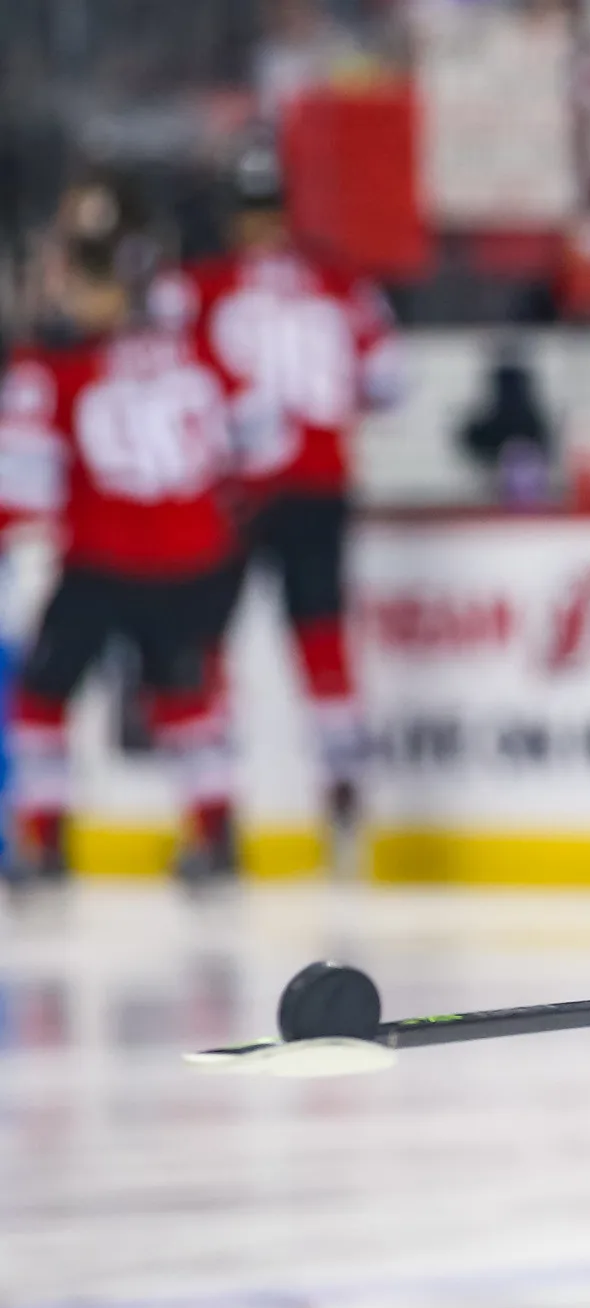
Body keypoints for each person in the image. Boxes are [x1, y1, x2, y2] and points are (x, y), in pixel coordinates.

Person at [157, 142, 402, 870]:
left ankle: (215, 818)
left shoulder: (197, 287)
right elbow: (390, 380)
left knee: (202, 647)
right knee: (321, 642)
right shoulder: (341, 280)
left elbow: (170, 383)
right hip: (321, 488)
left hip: (234, 493)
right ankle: (343, 802)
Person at [0, 180, 246, 889]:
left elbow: (25, 487)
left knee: (42, 699)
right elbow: (250, 439)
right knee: (185, 698)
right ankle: (214, 830)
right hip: (191, 553)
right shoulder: (192, 346)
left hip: (103, 556)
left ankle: (44, 843)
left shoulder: (54, 367)